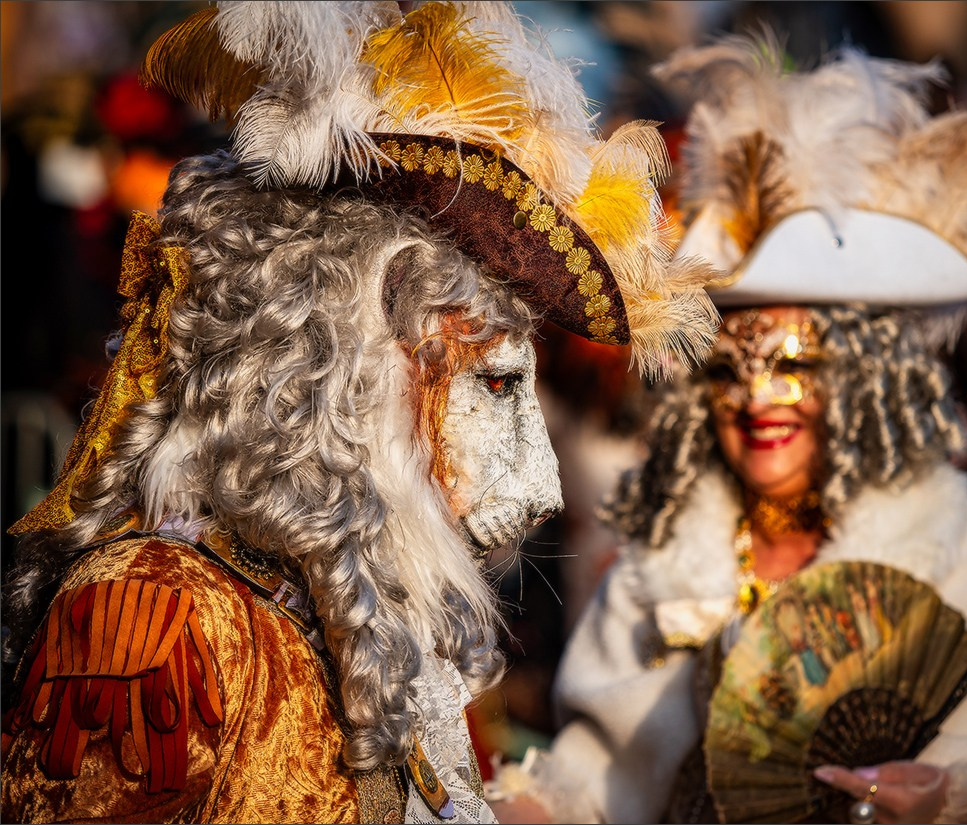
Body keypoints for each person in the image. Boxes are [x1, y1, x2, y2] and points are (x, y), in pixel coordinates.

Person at [0, 3, 719, 823]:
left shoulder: (376, 616)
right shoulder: (157, 619)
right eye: (491, 387)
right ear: (355, 374)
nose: (541, 484)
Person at [488, 31, 967, 824]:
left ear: (862, 381)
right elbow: (591, 782)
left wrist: (957, 799)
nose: (759, 396)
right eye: (730, 368)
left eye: (795, 365)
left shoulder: (966, 548)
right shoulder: (660, 566)